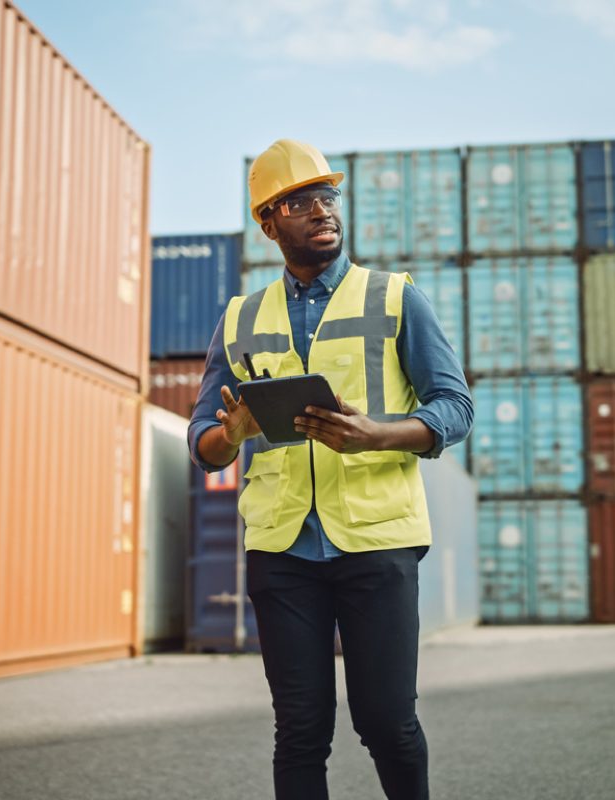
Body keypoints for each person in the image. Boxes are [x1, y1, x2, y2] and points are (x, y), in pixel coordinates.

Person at [188, 139, 473, 800]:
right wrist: (234, 431)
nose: (322, 210)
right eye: (301, 201)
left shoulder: (397, 297)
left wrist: (377, 434)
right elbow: (203, 444)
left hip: (377, 540)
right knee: (300, 729)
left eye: (328, 197)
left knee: (387, 723)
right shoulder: (240, 318)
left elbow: (455, 408)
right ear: (269, 222)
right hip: (282, 547)